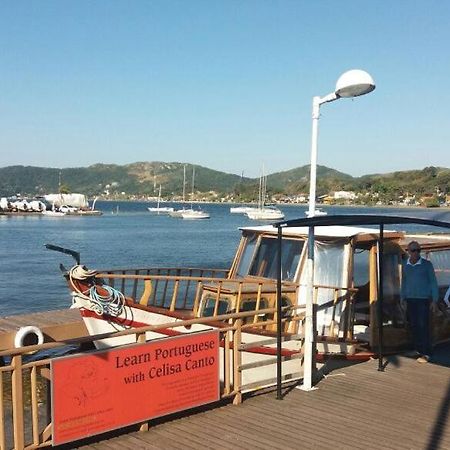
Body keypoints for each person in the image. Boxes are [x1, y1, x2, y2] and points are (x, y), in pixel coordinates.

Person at [400, 241, 439, 363]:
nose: (416, 253)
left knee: (423, 326)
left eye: (418, 250)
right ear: (408, 251)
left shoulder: (427, 265)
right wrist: (402, 298)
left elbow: (433, 282)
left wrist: (435, 300)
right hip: (410, 299)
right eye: (413, 250)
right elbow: (404, 282)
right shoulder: (405, 265)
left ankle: (426, 353)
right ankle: (417, 349)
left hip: (423, 300)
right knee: (414, 325)